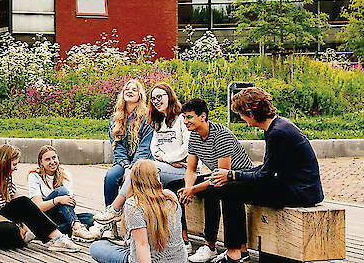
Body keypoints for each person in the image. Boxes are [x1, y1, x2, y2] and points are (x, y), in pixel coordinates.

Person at [208, 87, 324, 263]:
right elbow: (267, 169)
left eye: (241, 114)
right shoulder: (277, 126)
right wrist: (236, 174)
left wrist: (231, 176)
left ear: (250, 113)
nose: (240, 118)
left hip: (300, 192)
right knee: (232, 186)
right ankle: (239, 251)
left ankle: (235, 253)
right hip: (294, 186)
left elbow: (265, 176)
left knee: (230, 190)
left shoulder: (277, 132)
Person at [165, 98, 254, 263]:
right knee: (173, 187)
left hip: (239, 178)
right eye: (184, 117)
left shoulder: (221, 135)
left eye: (189, 117)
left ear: (203, 117)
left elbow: (222, 174)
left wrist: (193, 190)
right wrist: (188, 188)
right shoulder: (194, 136)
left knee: (212, 189)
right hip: (219, 176)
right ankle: (183, 240)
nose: (185, 122)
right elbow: (190, 169)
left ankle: (209, 246)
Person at [94, 82, 190, 229]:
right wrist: (126, 166)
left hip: (174, 166)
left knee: (138, 172)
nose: (157, 101)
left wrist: (165, 159)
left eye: (160, 97)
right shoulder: (158, 120)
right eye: (154, 98)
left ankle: (115, 210)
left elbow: (147, 149)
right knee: (111, 176)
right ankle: (110, 226)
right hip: (137, 164)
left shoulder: (177, 119)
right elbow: (151, 147)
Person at [0, 144, 82, 252]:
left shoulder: (6, 178)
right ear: (4, 163)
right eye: (14, 164)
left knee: (23, 201)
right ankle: (30, 234)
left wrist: (24, 224)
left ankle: (58, 238)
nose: (16, 168)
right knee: (12, 231)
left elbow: (22, 205)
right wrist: (17, 225)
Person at [89, 159, 187, 263]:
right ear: (156, 176)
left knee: (96, 246)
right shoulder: (171, 196)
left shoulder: (134, 204)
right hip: (179, 258)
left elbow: (142, 244)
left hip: (151, 259)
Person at [101, 79, 155, 210]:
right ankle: (109, 217)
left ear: (140, 96)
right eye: (127, 89)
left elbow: (145, 147)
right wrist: (126, 166)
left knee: (137, 178)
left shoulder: (147, 117)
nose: (130, 91)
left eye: (134, 89)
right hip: (123, 162)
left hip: (143, 161)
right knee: (111, 176)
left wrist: (131, 168)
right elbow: (117, 146)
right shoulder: (116, 118)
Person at [28, 145, 100, 241]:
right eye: (47, 159)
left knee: (91, 218)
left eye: (54, 158)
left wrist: (68, 202)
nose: (52, 162)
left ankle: (60, 229)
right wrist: (58, 200)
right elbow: (38, 207)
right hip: (43, 216)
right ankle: (75, 227)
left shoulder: (65, 175)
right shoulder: (34, 176)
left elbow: (69, 205)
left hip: (60, 215)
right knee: (61, 191)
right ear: (41, 162)